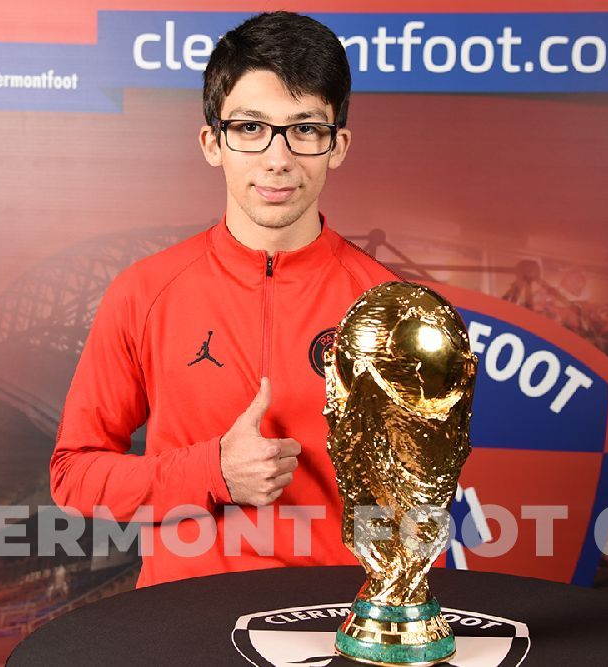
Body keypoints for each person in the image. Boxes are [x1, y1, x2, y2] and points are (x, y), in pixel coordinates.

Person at [50, 11, 399, 588]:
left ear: (338, 145)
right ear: (213, 142)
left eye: (306, 128)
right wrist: (211, 471)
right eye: (251, 127)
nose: (278, 157)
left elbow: (416, 504)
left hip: (338, 624)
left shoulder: (389, 306)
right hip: (183, 621)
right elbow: (74, 475)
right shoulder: (143, 292)